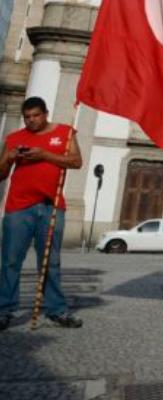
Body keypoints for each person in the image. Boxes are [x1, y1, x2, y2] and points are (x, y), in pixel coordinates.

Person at [0, 97, 84, 330]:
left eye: (36, 115)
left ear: (45, 113)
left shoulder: (65, 132)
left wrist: (44, 155)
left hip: (51, 205)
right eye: (27, 117)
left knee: (50, 262)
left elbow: (76, 162)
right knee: (10, 260)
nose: (31, 120)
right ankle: (4, 310)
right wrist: (8, 159)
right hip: (18, 207)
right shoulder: (14, 138)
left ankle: (56, 310)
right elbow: (1, 174)